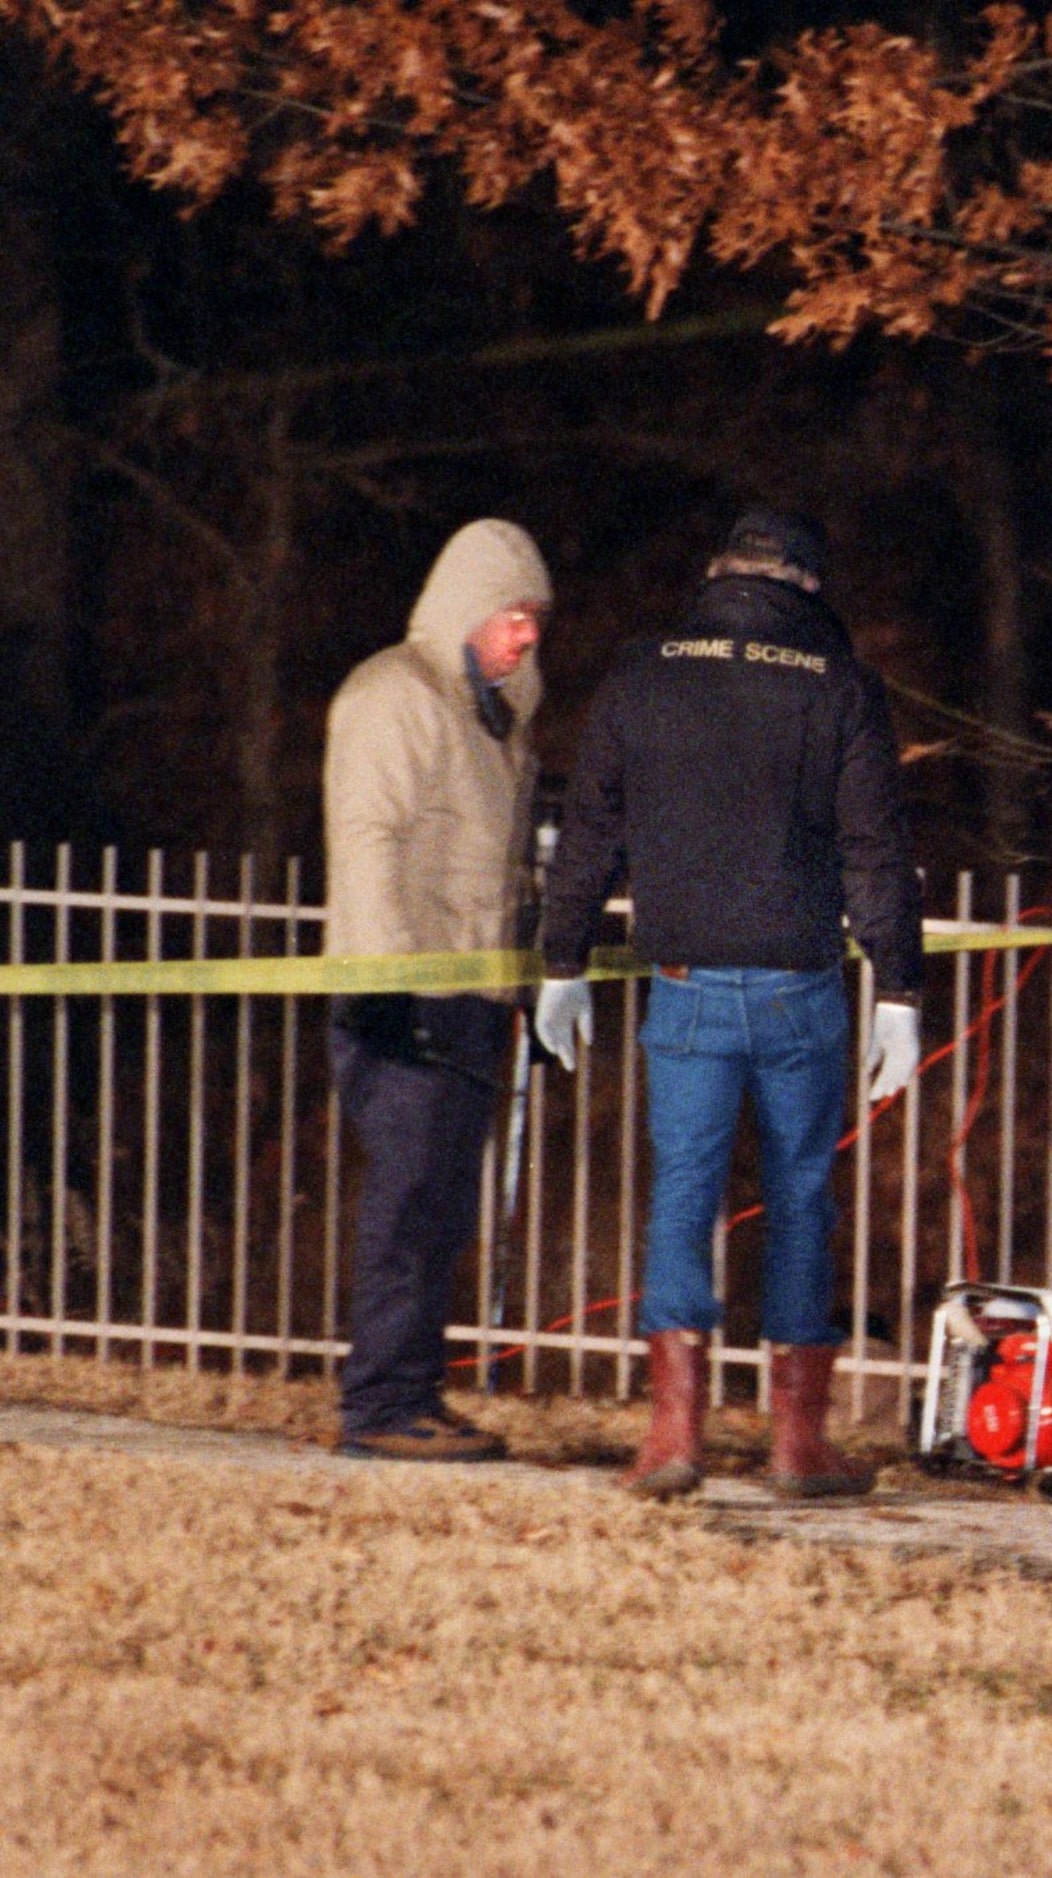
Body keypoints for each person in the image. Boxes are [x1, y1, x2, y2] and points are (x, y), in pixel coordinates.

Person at [535, 508, 925, 1502]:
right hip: (800, 981)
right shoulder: (838, 686)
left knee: (683, 1194)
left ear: (716, 576)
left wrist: (562, 959)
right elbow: (875, 850)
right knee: (800, 1198)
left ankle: (672, 1434)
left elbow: (587, 829)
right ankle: (798, 1443)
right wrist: (900, 990)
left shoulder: (642, 674)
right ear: (804, 585)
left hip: (683, 983)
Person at [323, 517, 552, 1462]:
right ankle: (379, 1406)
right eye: (512, 615)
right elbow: (368, 838)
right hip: (408, 993)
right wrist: (383, 983)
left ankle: (413, 1390)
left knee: (444, 1203)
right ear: (465, 609)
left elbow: (493, 865)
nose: (528, 633)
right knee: (409, 1200)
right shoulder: (395, 697)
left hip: (471, 994)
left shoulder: (494, 719)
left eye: (537, 617)